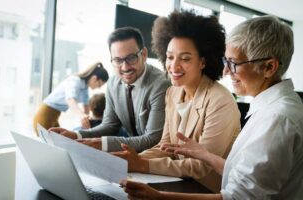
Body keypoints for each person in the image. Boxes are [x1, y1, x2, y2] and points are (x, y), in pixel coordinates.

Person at [120, 15, 303, 200]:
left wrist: (159, 196)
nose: (225, 71)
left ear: (269, 67)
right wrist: (206, 155)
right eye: (226, 62)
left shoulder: (277, 119)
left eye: (234, 63)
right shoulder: (271, 108)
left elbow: (239, 197)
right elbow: (243, 176)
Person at [113, 11, 240, 192]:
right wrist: (132, 159)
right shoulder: (172, 92)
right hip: (175, 183)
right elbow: (165, 146)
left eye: (185, 58)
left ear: (203, 62)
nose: (174, 66)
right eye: (170, 57)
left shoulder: (221, 101)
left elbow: (201, 165)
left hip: (207, 191)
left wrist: (141, 164)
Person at [49, 27, 171, 152]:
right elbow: (109, 125)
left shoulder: (161, 85)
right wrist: (76, 135)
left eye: (131, 58)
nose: (125, 67)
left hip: (155, 155)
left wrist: (102, 144)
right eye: (118, 60)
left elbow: (152, 139)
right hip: (131, 154)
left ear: (144, 54)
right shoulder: (113, 83)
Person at [33, 62, 108, 135]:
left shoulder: (85, 88)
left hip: (55, 115)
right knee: (50, 143)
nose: (99, 87)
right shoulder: (75, 80)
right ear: (94, 78)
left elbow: (86, 107)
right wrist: (82, 116)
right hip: (45, 113)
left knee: (58, 140)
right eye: (100, 84)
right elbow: (70, 100)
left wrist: (89, 122)